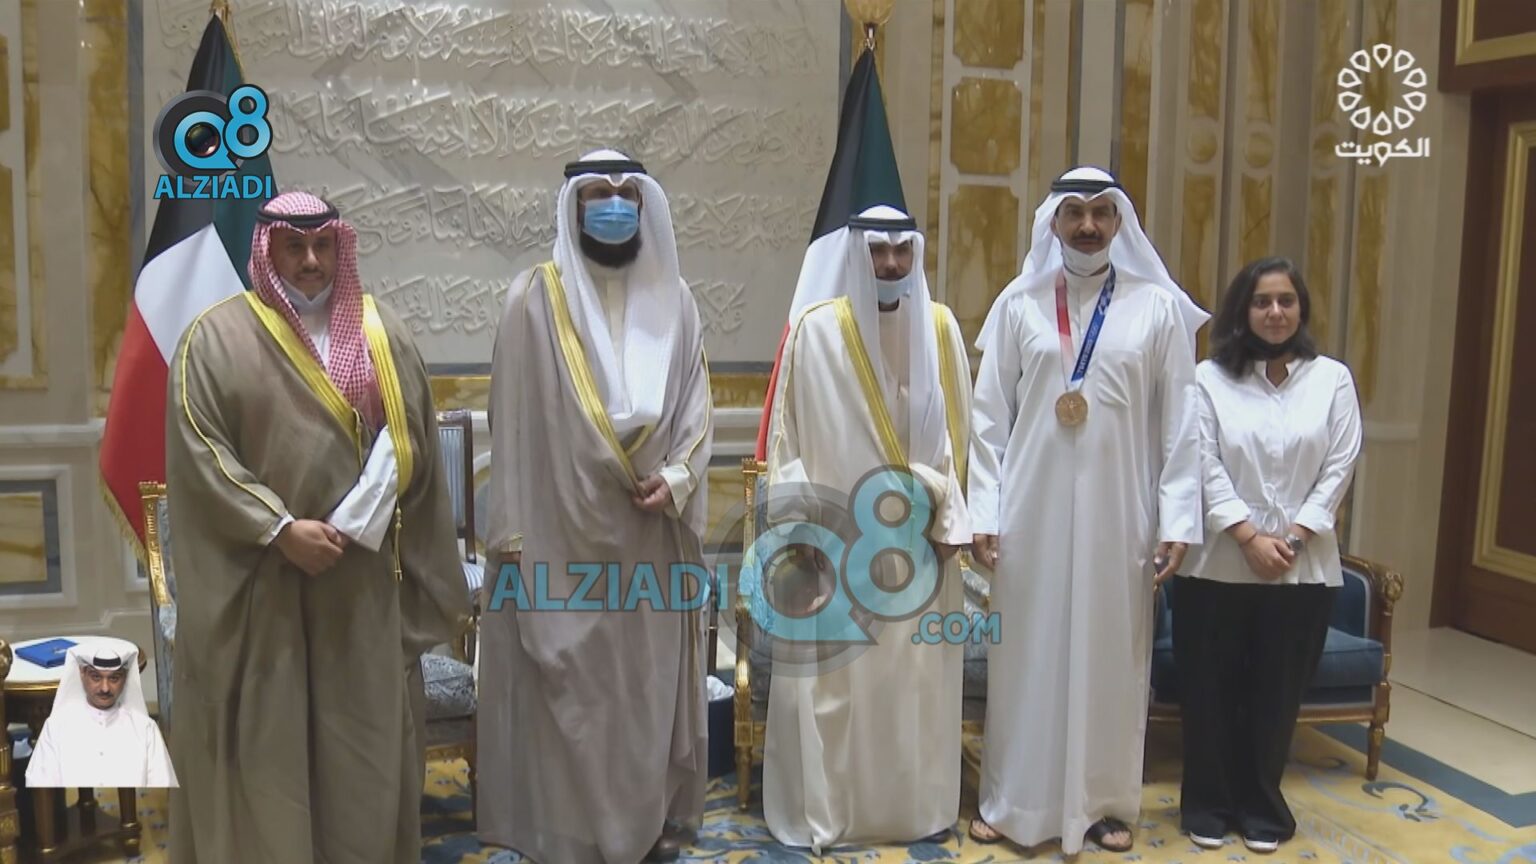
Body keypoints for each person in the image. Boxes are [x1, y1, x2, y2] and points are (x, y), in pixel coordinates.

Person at [165, 191, 471, 864]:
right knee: (267, 755)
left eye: (323, 245)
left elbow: (406, 440)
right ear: (266, 250)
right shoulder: (214, 339)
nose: (310, 260)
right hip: (263, 589)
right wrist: (281, 530)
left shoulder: (381, 333)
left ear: (340, 247)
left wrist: (349, 527)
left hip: (357, 585)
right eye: (294, 246)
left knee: (358, 754)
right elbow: (201, 453)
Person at [479, 149, 712, 864]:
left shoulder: (677, 300)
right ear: (573, 207)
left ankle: (643, 826)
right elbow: (509, 424)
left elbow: (696, 406)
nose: (613, 206)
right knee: (569, 688)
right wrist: (513, 531)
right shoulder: (531, 300)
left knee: (640, 692)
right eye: (597, 195)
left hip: (649, 528)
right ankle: (569, 833)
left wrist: (679, 478)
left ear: (644, 207)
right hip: (558, 531)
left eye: (625, 194)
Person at [967, 166, 1209, 853]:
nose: (1088, 225)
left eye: (1101, 212)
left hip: (1120, 513)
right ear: (1053, 222)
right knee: (1027, 656)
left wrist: (1177, 520)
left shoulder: (1156, 309)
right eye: (1074, 212)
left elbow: (1181, 423)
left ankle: (1104, 805)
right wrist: (985, 510)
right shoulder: (1019, 304)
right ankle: (1013, 801)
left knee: (1111, 658)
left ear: (1120, 222)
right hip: (1030, 512)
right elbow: (988, 420)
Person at [759, 205, 971, 852]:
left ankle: (910, 810)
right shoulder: (815, 331)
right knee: (838, 692)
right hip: (836, 550)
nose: (891, 264)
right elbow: (788, 442)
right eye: (878, 250)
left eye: (902, 251)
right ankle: (835, 813)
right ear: (855, 253)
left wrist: (946, 513)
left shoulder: (940, 328)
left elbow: (959, 440)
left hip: (919, 547)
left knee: (913, 691)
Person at [1174, 256, 1362, 854]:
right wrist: (1248, 537)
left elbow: (1340, 465)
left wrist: (1294, 537)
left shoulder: (1331, 380)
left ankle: (1262, 808)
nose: (1275, 312)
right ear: (1242, 310)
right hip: (1217, 565)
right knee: (1210, 691)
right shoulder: (1208, 379)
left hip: (1301, 570)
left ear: (1301, 309)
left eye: (1286, 300)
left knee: (1275, 696)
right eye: (1262, 301)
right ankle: (1207, 805)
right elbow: (1202, 461)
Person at [25, 646, 177, 788]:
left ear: (125, 678)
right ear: (82, 674)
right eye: (96, 677)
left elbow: (164, 786)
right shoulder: (56, 727)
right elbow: (39, 784)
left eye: (114, 678)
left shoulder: (146, 728)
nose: (105, 688)